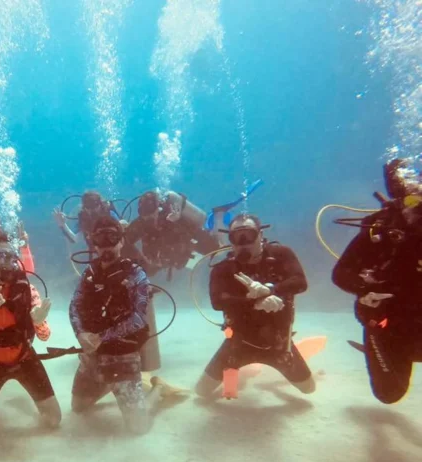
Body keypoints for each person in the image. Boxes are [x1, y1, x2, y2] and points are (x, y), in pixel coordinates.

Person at [195, 214, 315, 399]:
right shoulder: (223, 268)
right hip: (238, 345)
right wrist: (256, 302)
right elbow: (217, 302)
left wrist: (271, 289)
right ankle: (241, 375)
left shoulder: (281, 255)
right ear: (231, 241)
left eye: (249, 235)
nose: (243, 243)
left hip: (279, 344)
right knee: (201, 392)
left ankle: (269, 382)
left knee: (309, 389)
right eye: (236, 237)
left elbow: (300, 282)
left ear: (260, 235)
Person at [332, 158, 422, 404]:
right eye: (413, 202)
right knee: (389, 394)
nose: (418, 211)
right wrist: (365, 290)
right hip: (390, 323)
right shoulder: (380, 231)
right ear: (400, 202)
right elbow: (341, 273)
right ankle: (380, 346)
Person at [69, 216, 169, 435]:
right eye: (100, 239)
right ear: (94, 243)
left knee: (138, 429)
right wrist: (81, 333)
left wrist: (101, 337)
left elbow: (138, 319)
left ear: (122, 241)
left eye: (112, 238)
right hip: (93, 356)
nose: (106, 245)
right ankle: (109, 385)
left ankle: (158, 389)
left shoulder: (136, 274)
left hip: (124, 358)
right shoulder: (89, 274)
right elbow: (74, 305)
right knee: (78, 407)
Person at [0, 235, 61, 429]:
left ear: (16, 258)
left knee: (53, 419)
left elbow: (45, 336)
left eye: (8, 255)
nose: (3, 261)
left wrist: (38, 322)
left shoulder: (27, 289)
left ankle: (22, 407)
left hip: (24, 359)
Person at [124, 190, 220, 278]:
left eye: (151, 212)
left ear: (158, 208)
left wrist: (176, 221)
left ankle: (218, 220)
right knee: (146, 272)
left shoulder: (172, 216)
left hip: (182, 255)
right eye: (143, 212)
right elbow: (124, 240)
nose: (148, 217)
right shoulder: (141, 223)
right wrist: (121, 229)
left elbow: (198, 235)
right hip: (159, 261)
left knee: (214, 249)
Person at [53, 191, 121, 249]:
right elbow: (75, 239)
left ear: (100, 204)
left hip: (117, 249)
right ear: (84, 208)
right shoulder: (84, 219)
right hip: (99, 252)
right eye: (88, 207)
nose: (92, 210)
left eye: (94, 205)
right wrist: (62, 224)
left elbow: (122, 227)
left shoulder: (109, 214)